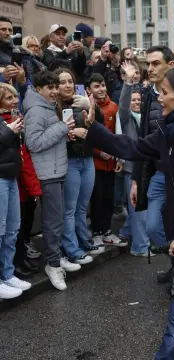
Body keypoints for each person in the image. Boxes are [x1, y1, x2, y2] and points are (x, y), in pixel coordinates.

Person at [73, 66, 174, 360]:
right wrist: (95, 127)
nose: (159, 98)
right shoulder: (169, 132)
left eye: (164, 93)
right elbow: (134, 147)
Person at [24, 70, 79, 291]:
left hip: (56, 170)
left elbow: (49, 139)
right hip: (48, 174)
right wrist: (63, 128)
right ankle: (53, 264)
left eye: (56, 87)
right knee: (52, 222)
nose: (55, 91)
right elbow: (34, 143)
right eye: (50, 88)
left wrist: (65, 134)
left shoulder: (47, 107)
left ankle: (56, 259)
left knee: (57, 220)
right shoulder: (36, 110)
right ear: (39, 89)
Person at [131, 45, 174, 283]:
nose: (150, 68)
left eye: (156, 63)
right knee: (152, 226)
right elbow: (142, 139)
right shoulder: (148, 95)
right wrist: (137, 179)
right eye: (148, 64)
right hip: (158, 172)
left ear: (171, 65)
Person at [54, 67, 102, 264]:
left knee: (83, 205)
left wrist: (92, 107)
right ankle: (71, 248)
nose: (68, 85)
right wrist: (69, 134)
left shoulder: (81, 100)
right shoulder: (52, 106)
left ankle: (84, 240)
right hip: (69, 160)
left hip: (87, 158)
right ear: (55, 86)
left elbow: (97, 125)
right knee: (70, 208)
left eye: (70, 81)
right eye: (63, 82)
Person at [86, 73, 127, 248]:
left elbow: (118, 133)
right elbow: (85, 135)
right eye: (96, 86)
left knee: (108, 199)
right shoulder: (87, 107)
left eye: (102, 85)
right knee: (97, 198)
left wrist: (118, 156)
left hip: (111, 162)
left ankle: (107, 231)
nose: (101, 89)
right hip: (95, 163)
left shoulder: (114, 107)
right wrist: (97, 152)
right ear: (88, 90)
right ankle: (96, 233)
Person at [0, 83, 33, 298]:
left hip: (11, 177)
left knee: (12, 230)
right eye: (9, 97)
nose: (14, 100)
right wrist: (9, 131)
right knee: (0, 230)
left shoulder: (11, 118)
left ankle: (7, 273)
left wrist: (15, 131)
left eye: (14, 96)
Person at [116, 62, 151, 256]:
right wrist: (128, 83)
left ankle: (125, 232)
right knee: (138, 208)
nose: (136, 102)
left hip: (146, 167)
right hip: (132, 168)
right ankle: (140, 247)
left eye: (139, 100)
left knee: (136, 207)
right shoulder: (126, 117)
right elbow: (123, 103)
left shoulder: (145, 118)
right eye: (134, 100)